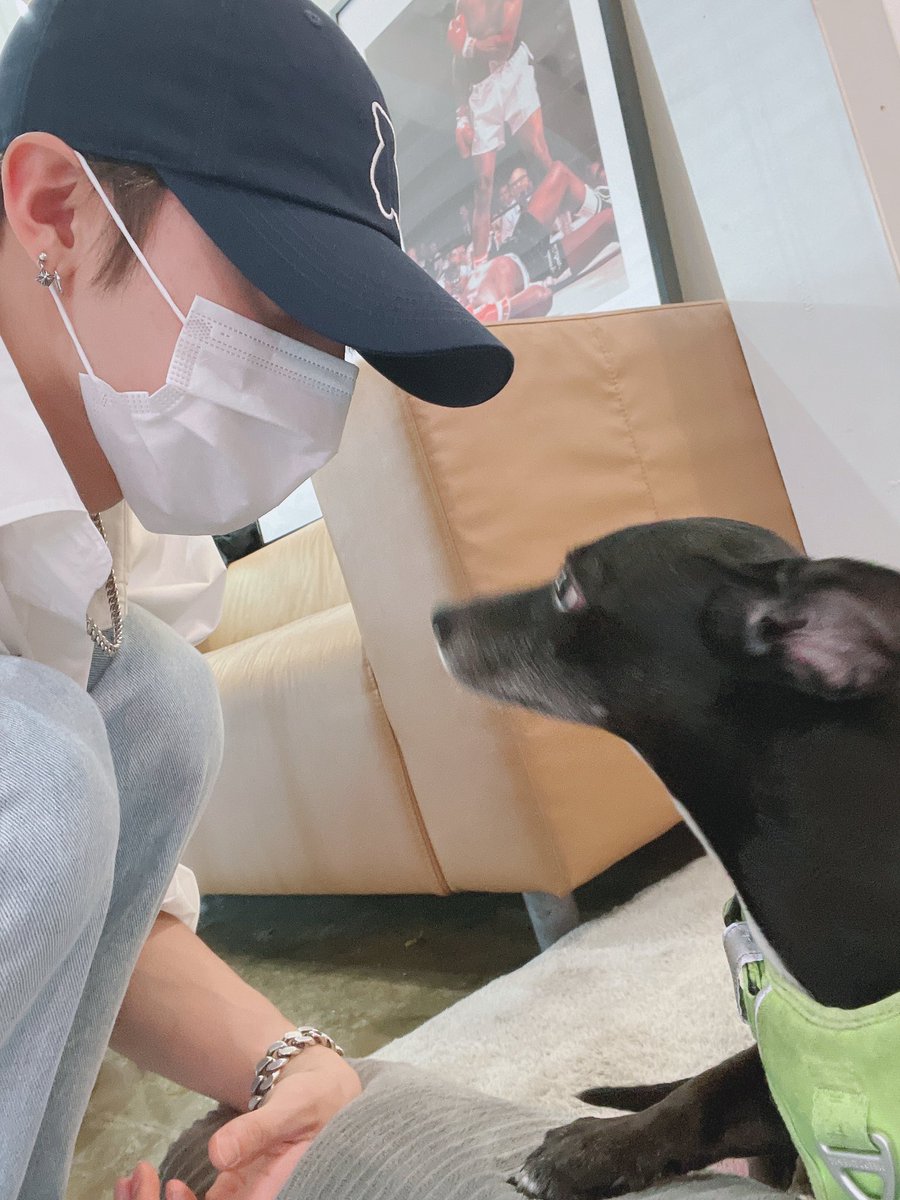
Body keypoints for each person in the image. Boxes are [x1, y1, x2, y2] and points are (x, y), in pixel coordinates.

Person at [0, 0, 514, 1195]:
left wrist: (288, 1065)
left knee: (158, 702)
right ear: (57, 210)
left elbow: (77, 917)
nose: (307, 379)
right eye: (280, 296)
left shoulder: (130, 550)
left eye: (336, 337)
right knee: (42, 767)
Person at [447, 0, 552, 264]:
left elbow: (503, 46)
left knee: (538, 152)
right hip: (482, 89)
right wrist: (461, 117)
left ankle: (565, 222)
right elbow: (457, 60)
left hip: (513, 69)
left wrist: (468, 45)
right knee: (483, 185)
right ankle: (479, 267)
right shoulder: (461, 4)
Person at [463, 160, 616, 322]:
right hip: (537, 271)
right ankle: (609, 214)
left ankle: (600, 204)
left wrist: (483, 185)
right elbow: (541, 296)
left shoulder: (462, 301)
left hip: (516, 245)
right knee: (610, 219)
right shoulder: (484, 318)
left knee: (559, 172)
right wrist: (532, 291)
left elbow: (481, 211)